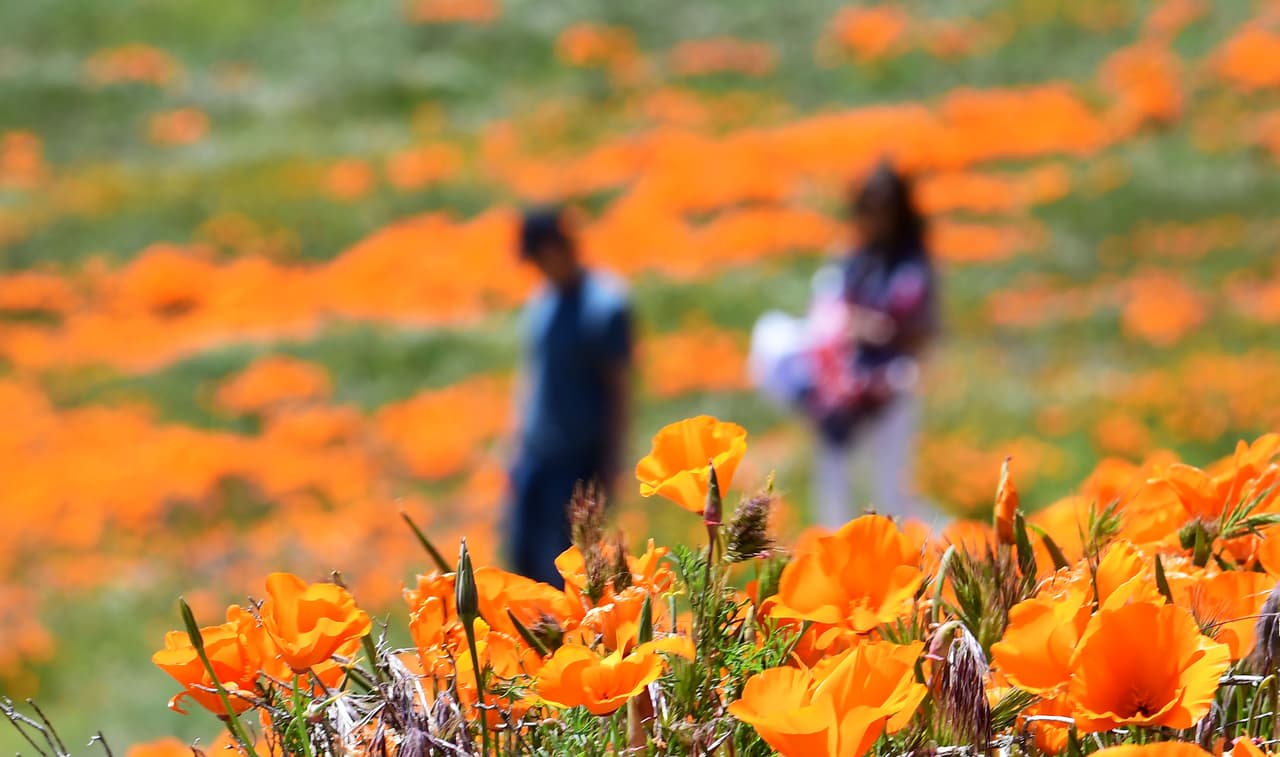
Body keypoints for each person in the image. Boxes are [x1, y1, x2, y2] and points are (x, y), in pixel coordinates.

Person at [805, 163, 939, 528]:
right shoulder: (853, 259)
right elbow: (832, 316)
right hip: (841, 389)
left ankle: (928, 553)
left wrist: (864, 326)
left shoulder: (912, 264)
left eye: (884, 207)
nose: (875, 216)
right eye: (868, 206)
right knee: (835, 482)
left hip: (891, 388)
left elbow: (917, 331)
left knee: (888, 491)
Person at [507, 207, 632, 586]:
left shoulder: (605, 306)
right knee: (522, 559)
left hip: (578, 461)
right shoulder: (543, 300)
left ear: (556, 248)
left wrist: (612, 463)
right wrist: (513, 444)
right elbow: (532, 374)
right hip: (534, 454)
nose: (538, 269)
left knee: (565, 568)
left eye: (539, 258)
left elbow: (619, 389)